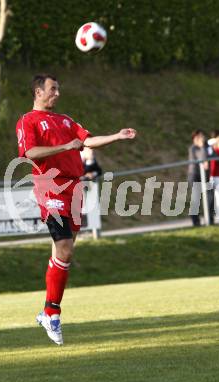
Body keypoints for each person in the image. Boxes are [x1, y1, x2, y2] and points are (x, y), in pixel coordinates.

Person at [15, 73, 136, 345]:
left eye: (58, 89)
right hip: (51, 186)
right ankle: (53, 312)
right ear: (38, 92)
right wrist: (66, 145)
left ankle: (47, 311)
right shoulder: (28, 120)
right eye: (52, 89)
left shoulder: (66, 120)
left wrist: (117, 136)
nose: (57, 93)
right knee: (65, 248)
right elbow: (29, 153)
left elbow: (87, 141)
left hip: (75, 187)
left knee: (64, 252)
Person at [188, 130, 209, 226]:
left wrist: (203, 146)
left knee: (209, 197)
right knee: (196, 198)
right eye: (199, 136)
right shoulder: (193, 148)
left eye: (202, 136)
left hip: (204, 175)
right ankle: (195, 221)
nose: (202, 138)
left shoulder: (206, 146)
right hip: (194, 174)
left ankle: (210, 219)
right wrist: (201, 146)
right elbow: (202, 158)